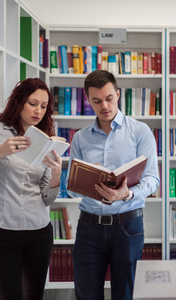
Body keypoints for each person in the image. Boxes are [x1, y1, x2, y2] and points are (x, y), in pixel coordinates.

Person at [66, 70, 160, 300]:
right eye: (97, 101)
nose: (104, 105)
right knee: (87, 294)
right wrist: (86, 178)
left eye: (109, 98)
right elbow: (70, 190)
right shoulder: (80, 137)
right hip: (89, 226)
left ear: (118, 94)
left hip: (127, 225)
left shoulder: (140, 131)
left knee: (125, 295)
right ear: (88, 100)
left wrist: (126, 194)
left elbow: (152, 180)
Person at [0, 78, 62, 300]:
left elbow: (47, 198)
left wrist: (56, 176)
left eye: (44, 106)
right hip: (2, 230)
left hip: (40, 231)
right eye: (33, 103)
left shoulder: (45, 138)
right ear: (19, 101)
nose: (38, 111)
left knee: (34, 296)